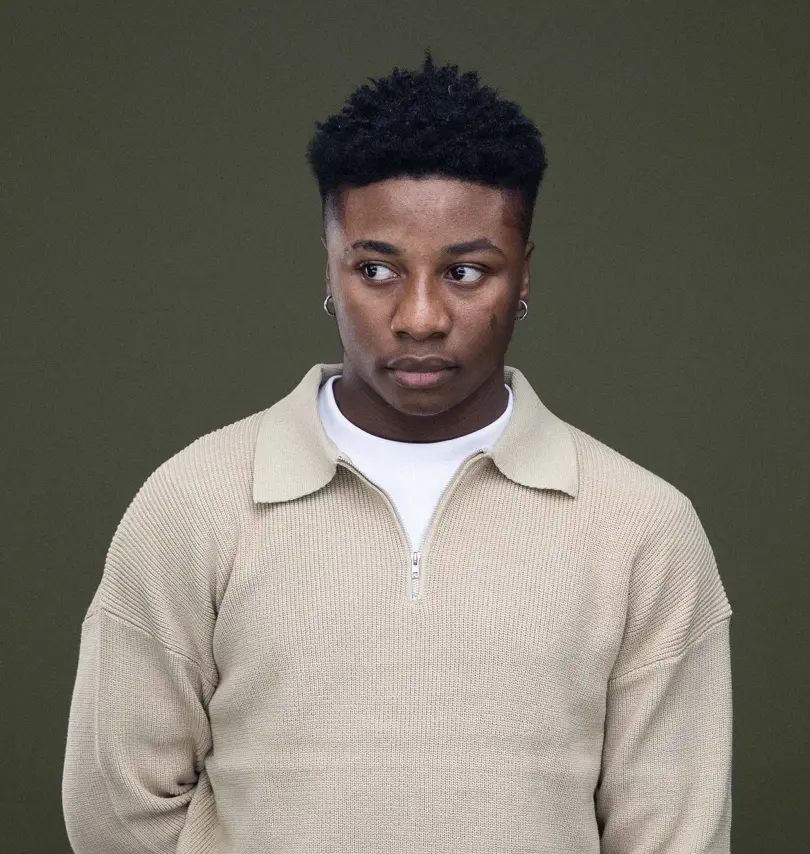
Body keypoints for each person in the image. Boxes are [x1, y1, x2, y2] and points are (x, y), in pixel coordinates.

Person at [62, 52, 733, 853]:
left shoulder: (643, 528)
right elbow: (116, 811)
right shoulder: (195, 502)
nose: (420, 317)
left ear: (523, 277)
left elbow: (675, 831)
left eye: (466, 271)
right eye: (376, 269)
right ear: (329, 268)